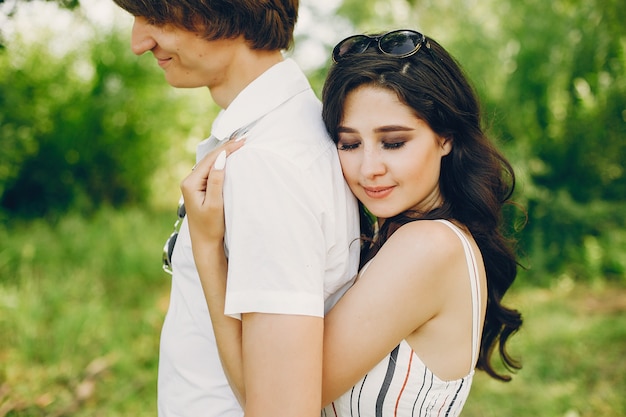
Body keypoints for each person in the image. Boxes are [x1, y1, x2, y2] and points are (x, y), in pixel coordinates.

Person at [183, 29, 524, 417]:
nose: (369, 169)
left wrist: (208, 250)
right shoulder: (413, 240)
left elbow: (274, 406)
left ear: (445, 137)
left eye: (393, 142)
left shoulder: (428, 247)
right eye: (350, 143)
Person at [111, 1, 361, 416]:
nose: (139, 42)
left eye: (155, 17)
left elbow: (280, 408)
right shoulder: (285, 133)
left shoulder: (268, 163)